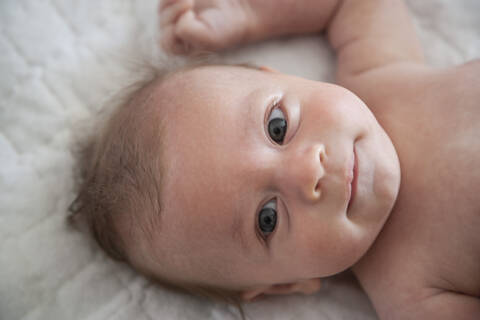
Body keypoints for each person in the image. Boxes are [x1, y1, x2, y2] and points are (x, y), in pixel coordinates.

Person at [69, 0, 480, 319]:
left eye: (277, 127)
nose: (309, 172)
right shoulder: (412, 296)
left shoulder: (378, 74)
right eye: (268, 218)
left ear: (279, 76)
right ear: (284, 285)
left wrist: (250, 13)